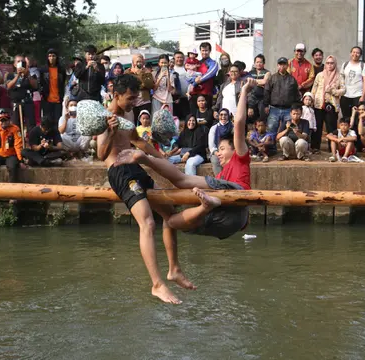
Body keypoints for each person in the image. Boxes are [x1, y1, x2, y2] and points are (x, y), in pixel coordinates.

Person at [110, 78, 257, 303]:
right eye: (218, 150)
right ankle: (174, 269)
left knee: (184, 182)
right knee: (171, 220)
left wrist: (244, 90)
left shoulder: (240, 158)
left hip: (238, 201)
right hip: (224, 222)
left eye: (223, 149)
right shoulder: (220, 176)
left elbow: (238, 122)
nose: (219, 153)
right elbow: (179, 177)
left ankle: (204, 206)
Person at [97, 73, 194, 304]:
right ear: (116, 95)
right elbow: (101, 154)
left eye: (135, 99)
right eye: (130, 98)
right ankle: (157, 284)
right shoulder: (104, 117)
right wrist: (110, 132)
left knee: (170, 213)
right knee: (148, 222)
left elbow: (137, 141)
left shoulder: (129, 112)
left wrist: (160, 158)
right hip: (119, 173)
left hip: (135, 167)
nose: (133, 103)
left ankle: (174, 269)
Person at [311, 55, 345, 153]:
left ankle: (332, 148)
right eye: (328, 63)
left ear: (335, 64)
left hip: (332, 105)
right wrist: (311, 100)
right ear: (325, 64)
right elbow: (314, 89)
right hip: (319, 104)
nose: (330, 65)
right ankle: (315, 147)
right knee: (317, 126)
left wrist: (333, 91)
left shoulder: (339, 76)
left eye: (332, 63)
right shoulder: (320, 75)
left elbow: (343, 90)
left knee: (331, 127)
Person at [264, 57, 299, 134]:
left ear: (287, 66)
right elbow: (267, 91)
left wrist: (295, 107)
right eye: (280, 64)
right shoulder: (272, 78)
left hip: (288, 109)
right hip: (274, 109)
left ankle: (286, 145)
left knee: (290, 130)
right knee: (271, 129)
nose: (282, 66)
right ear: (277, 66)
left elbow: (296, 94)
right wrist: (266, 105)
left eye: (284, 64)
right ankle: (271, 146)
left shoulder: (292, 79)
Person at [6, 55, 38, 134]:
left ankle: (32, 144)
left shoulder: (31, 75)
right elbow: (9, 86)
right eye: (18, 61)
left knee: (31, 125)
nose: (20, 63)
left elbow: (35, 86)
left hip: (28, 103)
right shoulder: (10, 75)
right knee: (16, 126)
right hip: (16, 103)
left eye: (22, 62)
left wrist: (28, 74)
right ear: (14, 64)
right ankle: (18, 145)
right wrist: (18, 75)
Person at [188, 42, 219, 115]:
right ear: (200, 51)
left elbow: (210, 74)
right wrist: (193, 81)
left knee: (206, 118)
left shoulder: (213, 63)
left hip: (206, 95)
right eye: (202, 50)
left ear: (210, 51)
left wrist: (196, 82)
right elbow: (189, 75)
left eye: (206, 50)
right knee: (193, 117)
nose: (204, 52)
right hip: (194, 95)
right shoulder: (197, 63)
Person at [340, 46, 365, 118]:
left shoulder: (363, 66)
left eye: (358, 53)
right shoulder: (345, 64)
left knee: (357, 117)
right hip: (345, 95)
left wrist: (363, 96)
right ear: (350, 53)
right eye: (353, 52)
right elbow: (341, 78)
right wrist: (340, 92)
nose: (355, 54)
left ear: (360, 55)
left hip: (358, 95)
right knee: (346, 117)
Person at [40, 49, 68, 121]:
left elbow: (63, 83)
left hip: (58, 100)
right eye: (49, 56)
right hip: (47, 100)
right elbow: (40, 83)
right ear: (47, 57)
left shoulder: (61, 70)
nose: (51, 58)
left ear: (57, 57)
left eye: (53, 56)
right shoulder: (43, 69)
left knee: (58, 121)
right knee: (47, 122)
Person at [208, 109, 233, 174]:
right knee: (215, 161)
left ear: (228, 116)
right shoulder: (214, 128)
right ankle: (220, 182)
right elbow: (211, 145)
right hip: (217, 152)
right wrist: (217, 153)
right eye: (221, 115)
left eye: (225, 115)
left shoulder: (233, 127)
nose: (223, 117)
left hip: (230, 151)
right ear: (218, 116)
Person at [248, 54, 271, 123]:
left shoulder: (267, 72)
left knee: (262, 119)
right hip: (252, 99)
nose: (258, 64)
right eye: (257, 62)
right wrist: (259, 82)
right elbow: (248, 82)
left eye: (260, 62)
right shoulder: (250, 72)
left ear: (263, 63)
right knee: (251, 118)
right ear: (254, 63)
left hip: (263, 99)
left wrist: (253, 82)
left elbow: (265, 81)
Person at [172, 52, 190, 121]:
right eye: (177, 57)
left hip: (187, 99)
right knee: (176, 120)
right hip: (176, 100)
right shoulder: (172, 69)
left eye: (181, 57)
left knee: (186, 119)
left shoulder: (187, 68)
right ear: (174, 58)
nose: (179, 59)